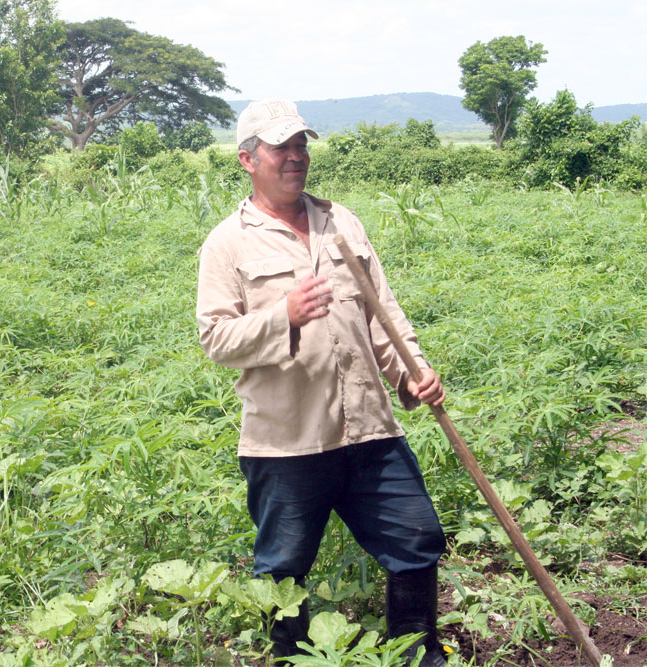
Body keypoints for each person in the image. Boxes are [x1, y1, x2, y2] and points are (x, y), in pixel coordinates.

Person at [195, 99, 448, 665]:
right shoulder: (228, 243)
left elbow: (382, 311)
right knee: (283, 573)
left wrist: (413, 373)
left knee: (417, 541)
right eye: (281, 147)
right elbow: (216, 340)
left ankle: (419, 656)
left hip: (369, 431)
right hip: (287, 442)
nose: (295, 157)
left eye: (301, 145)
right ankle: (292, 659)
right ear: (247, 160)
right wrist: (281, 314)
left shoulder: (342, 221)